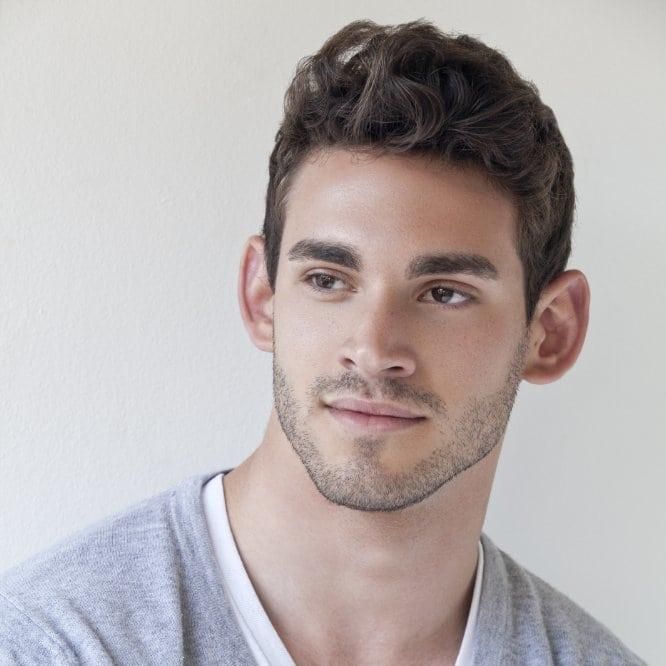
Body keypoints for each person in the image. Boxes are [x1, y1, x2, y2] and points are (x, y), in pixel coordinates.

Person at [0, 18, 646, 666]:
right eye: (328, 280)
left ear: (551, 332)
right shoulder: (55, 645)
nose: (374, 349)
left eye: (444, 292)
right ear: (262, 296)